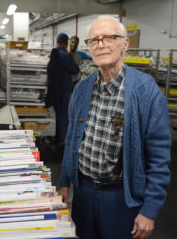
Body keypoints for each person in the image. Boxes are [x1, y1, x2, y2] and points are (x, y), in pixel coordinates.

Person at [59, 15, 171, 239]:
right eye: (94, 40)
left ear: (125, 44)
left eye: (109, 38)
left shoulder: (145, 91)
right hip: (84, 193)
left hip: (121, 198)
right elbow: (72, 138)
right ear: (89, 48)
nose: (101, 44)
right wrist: (64, 183)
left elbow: (159, 158)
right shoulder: (82, 89)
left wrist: (149, 210)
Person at [46, 33, 79, 162]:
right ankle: (62, 144)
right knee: (63, 117)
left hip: (53, 91)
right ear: (65, 43)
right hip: (64, 91)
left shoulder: (53, 54)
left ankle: (56, 139)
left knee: (57, 115)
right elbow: (75, 70)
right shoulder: (65, 55)